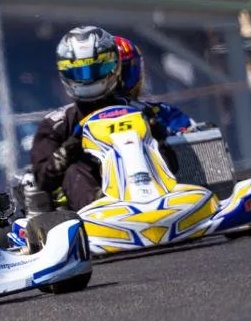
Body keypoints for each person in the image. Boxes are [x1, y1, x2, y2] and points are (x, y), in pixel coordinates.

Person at [31, 26, 178, 212]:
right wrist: (69, 150)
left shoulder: (139, 112)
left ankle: (158, 199)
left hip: (149, 188)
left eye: (97, 68)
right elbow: (43, 180)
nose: (88, 79)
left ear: (114, 65)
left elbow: (173, 164)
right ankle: (101, 207)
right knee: (73, 170)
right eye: (80, 72)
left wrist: (156, 136)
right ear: (65, 73)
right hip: (87, 209)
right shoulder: (57, 125)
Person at [114, 35, 196, 134]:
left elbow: (195, 136)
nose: (120, 77)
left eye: (125, 70)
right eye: (112, 71)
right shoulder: (89, 113)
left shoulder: (159, 112)